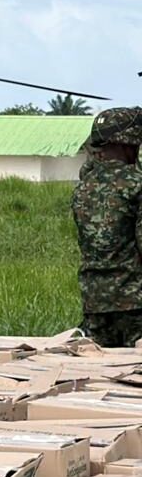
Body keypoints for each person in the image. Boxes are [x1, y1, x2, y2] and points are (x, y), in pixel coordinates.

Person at [72, 107, 142, 347]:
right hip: (135, 303)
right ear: (128, 144)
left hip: (94, 301)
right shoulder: (136, 184)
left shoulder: (83, 188)